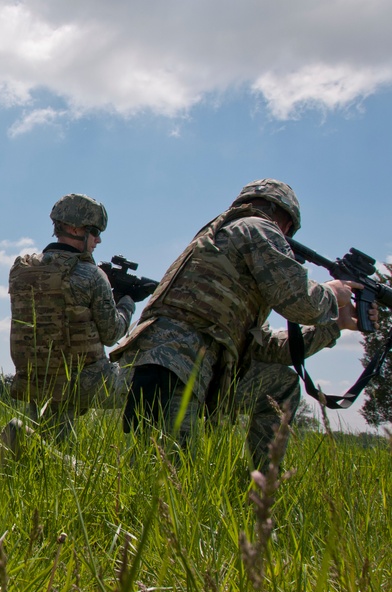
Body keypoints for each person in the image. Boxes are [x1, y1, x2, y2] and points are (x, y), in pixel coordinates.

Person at [112, 179, 363, 469]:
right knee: (165, 477)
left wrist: (335, 326)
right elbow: (300, 301)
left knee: (282, 385)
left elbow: (269, 348)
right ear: (281, 216)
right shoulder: (256, 228)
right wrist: (333, 294)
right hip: (173, 362)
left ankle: (261, 488)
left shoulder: (231, 248)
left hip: (202, 364)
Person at [5, 194, 149, 449]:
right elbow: (112, 332)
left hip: (36, 380)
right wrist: (127, 302)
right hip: (86, 381)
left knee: (48, 444)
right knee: (153, 380)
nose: (98, 240)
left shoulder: (20, 270)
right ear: (74, 228)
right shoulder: (92, 275)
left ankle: (22, 442)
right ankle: (152, 460)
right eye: (94, 232)